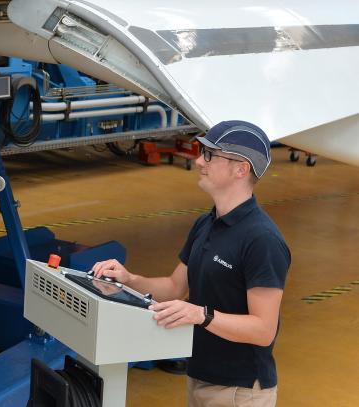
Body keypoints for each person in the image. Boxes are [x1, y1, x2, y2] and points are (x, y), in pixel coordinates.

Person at [91, 120, 290, 407]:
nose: (198, 161)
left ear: (241, 169)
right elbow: (174, 288)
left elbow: (263, 329)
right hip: (200, 377)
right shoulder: (207, 223)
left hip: (239, 391)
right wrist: (129, 279)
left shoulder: (262, 240)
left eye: (209, 154)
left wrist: (201, 315)